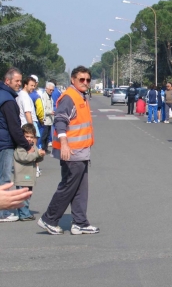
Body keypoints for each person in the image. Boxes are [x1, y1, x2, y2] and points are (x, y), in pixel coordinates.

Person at [38, 65, 99, 235]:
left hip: (81, 151)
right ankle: (49, 219)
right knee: (68, 186)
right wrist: (64, 144)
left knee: (80, 187)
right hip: (71, 152)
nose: (85, 82)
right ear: (73, 80)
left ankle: (80, 222)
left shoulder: (81, 96)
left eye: (87, 80)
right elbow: (60, 120)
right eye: (81, 79)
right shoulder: (69, 97)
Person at [0, 67, 33, 222]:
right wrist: (27, 145)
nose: (20, 83)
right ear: (8, 81)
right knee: (4, 178)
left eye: (21, 80)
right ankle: (3, 213)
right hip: (4, 143)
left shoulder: (4, 95)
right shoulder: (7, 100)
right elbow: (14, 126)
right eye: (17, 81)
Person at [14, 123, 45, 221]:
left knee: (27, 195)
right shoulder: (20, 147)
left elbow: (36, 160)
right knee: (23, 196)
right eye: (26, 136)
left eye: (31, 137)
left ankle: (24, 212)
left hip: (29, 176)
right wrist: (36, 154)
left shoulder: (32, 146)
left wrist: (40, 155)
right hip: (22, 176)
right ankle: (24, 214)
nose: (29, 139)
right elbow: (24, 158)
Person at [41, 81, 55, 154]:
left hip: (50, 120)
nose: (51, 91)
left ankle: (45, 148)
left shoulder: (50, 96)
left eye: (53, 90)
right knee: (44, 135)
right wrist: (50, 112)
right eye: (50, 90)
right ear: (46, 88)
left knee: (48, 135)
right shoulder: (44, 96)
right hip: (46, 119)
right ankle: (43, 148)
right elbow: (43, 109)